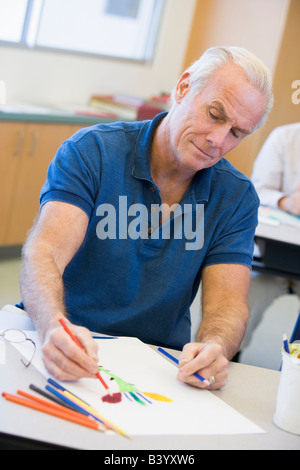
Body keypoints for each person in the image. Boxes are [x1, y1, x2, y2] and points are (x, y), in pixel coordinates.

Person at [19, 46, 273, 390]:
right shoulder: (93, 151)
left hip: (157, 364)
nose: (218, 140)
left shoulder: (236, 196)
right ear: (184, 88)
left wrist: (215, 346)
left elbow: (227, 304)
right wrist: (53, 325)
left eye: (236, 133)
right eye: (215, 114)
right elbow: (44, 252)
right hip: (62, 339)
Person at [240, 123, 300, 351]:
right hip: (270, 254)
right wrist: (287, 202)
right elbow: (257, 190)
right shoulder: (285, 137)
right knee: (243, 292)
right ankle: (226, 353)